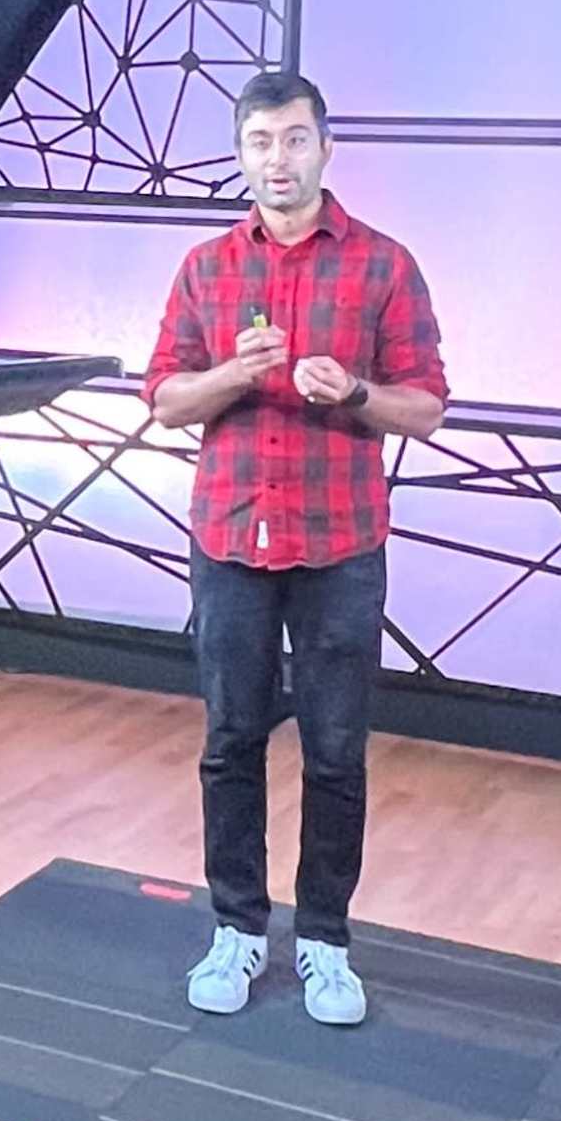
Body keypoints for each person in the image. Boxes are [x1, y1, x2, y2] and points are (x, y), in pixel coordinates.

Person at [144, 67, 448, 1028]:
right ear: (241, 155)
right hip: (231, 537)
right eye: (260, 142)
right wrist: (234, 375)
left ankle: (324, 940)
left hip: (340, 543)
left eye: (295, 139)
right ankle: (236, 927)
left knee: (336, 751)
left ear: (326, 147)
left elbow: (426, 408)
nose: (278, 160)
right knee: (229, 741)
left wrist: (352, 393)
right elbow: (164, 400)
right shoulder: (205, 269)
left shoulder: (383, 265)